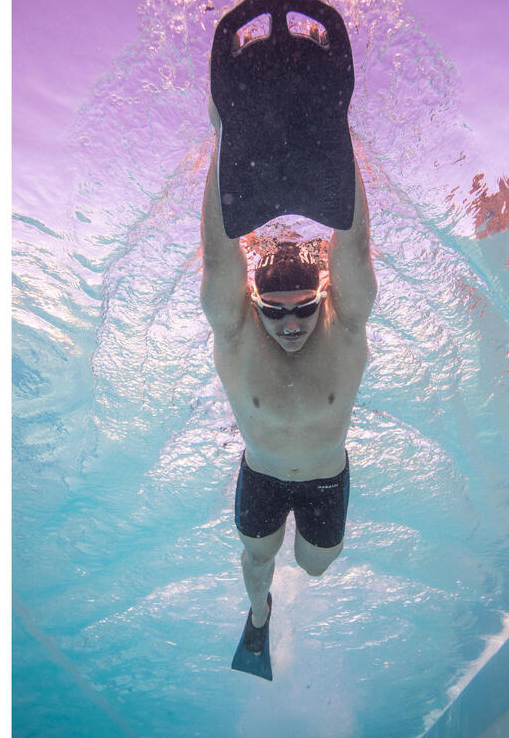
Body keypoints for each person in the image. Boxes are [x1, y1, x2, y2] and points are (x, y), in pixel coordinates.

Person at [201, 99, 377, 661]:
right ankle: (259, 614)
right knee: (258, 557)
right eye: (274, 312)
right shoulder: (235, 333)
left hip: (325, 478)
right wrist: (224, 137)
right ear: (255, 304)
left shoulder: (345, 327)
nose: (291, 324)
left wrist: (337, 128)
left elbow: (352, 243)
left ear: (323, 294)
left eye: (303, 308)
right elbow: (218, 258)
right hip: (263, 473)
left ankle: (285, 583)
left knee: (316, 567)